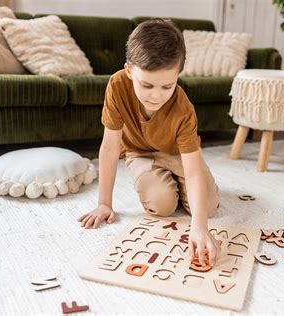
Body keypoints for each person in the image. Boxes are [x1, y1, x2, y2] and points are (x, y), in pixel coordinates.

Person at [78, 18, 220, 266]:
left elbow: (194, 171)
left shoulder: (183, 108)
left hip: (178, 155)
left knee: (207, 207)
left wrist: (199, 226)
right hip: (140, 153)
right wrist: (104, 203)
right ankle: (165, 181)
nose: (156, 95)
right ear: (130, 70)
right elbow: (110, 147)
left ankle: (180, 184)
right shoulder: (117, 85)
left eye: (167, 86)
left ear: (178, 75)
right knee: (161, 204)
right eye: (146, 85)